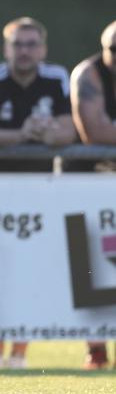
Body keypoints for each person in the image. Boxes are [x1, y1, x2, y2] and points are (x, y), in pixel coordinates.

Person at [0, 17, 74, 369]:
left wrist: (45, 135)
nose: (24, 51)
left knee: (31, 270)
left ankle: (20, 354)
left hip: (40, 190)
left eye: (31, 44)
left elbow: (71, 130)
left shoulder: (57, 78)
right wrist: (23, 133)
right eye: (18, 44)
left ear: (42, 48)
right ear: (6, 48)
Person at [70, 20, 116, 370]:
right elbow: (94, 131)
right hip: (86, 187)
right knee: (90, 270)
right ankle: (96, 348)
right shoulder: (89, 74)